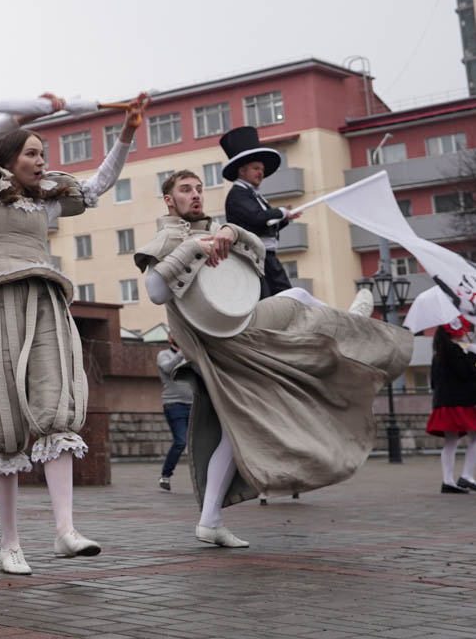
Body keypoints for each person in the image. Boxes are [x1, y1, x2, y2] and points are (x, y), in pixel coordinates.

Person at [138, 169, 411, 546]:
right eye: (185, 190)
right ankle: (349, 323)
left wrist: (233, 232)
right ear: (169, 200)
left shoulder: (215, 228)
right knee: (292, 306)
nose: (195, 194)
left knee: (240, 430)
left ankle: (210, 520)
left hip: (239, 330)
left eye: (199, 188)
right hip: (216, 345)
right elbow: (154, 291)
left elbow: (259, 252)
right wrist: (193, 248)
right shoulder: (167, 237)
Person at [0, 91, 148, 575]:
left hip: (44, 301)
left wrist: (127, 134)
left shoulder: (46, 204)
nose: (42, 161)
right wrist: (19, 115)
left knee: (57, 405)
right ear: (11, 158)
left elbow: (98, 184)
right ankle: (10, 541)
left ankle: (64, 530)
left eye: (44, 154)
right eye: (33, 152)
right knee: (3, 420)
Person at [218, 126, 301, 299]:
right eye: (256, 168)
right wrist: (280, 212)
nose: (261, 173)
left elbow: (265, 224)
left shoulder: (252, 195)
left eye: (262, 169)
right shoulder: (238, 195)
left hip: (266, 256)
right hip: (254, 257)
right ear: (242, 171)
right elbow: (256, 218)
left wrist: (285, 218)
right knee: (271, 298)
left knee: (285, 296)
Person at [427, 319, 476, 494]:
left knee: (451, 442)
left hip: (443, 403)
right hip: (461, 403)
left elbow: (433, 382)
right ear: (455, 333)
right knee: (475, 437)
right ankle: (467, 476)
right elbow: (467, 374)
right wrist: (472, 355)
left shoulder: (439, 354)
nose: (465, 332)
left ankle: (448, 481)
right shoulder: (456, 352)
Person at [156, 342, 193, 491]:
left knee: (199, 442)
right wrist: (182, 353)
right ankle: (165, 475)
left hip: (194, 404)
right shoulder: (164, 355)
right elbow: (168, 368)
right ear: (170, 336)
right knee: (181, 441)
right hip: (174, 404)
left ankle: (205, 480)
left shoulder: (190, 355)